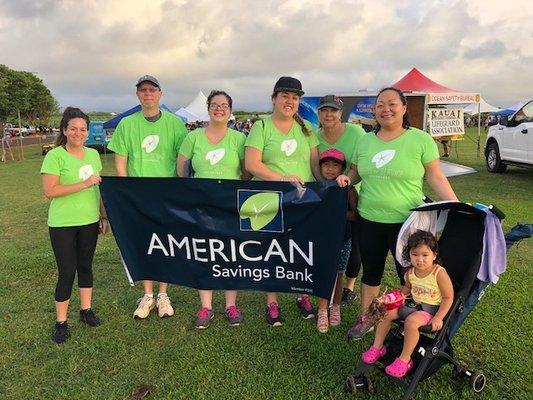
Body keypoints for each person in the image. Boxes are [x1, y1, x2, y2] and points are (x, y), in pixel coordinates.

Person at [336, 87, 458, 340]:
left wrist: (456, 204)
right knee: (371, 272)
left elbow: (435, 175)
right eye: (380, 105)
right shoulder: (365, 140)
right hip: (369, 218)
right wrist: (345, 179)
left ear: (404, 108)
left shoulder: (420, 140)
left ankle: (416, 317)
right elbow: (356, 171)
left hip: (408, 223)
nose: (386, 109)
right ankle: (368, 318)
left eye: (392, 104)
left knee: (413, 273)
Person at [107, 75, 188, 319]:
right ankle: (148, 294)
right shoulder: (127, 124)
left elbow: (182, 162)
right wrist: (126, 194)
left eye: (152, 89)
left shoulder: (175, 124)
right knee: (143, 243)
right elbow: (121, 163)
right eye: (143, 90)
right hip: (138, 195)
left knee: (165, 242)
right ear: (138, 95)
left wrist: (180, 191)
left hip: (166, 194)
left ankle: (163, 294)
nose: (148, 94)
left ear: (160, 94)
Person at [245, 76, 321, 326]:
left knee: (300, 249)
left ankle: (301, 294)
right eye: (285, 96)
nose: (290, 101)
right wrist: (281, 178)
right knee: (271, 251)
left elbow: (314, 166)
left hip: (301, 198)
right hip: (268, 198)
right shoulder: (261, 127)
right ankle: (272, 301)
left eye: (295, 97)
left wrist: (326, 188)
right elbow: (252, 164)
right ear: (274, 98)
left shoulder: (307, 127)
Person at [178, 90, 250, 328]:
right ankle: (206, 306)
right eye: (215, 104)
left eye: (224, 105)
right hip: (201, 206)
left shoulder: (239, 138)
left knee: (231, 253)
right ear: (208, 108)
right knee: (204, 253)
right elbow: (182, 171)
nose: (219, 108)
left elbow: (246, 172)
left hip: (230, 205)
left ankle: (231, 305)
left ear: (230, 110)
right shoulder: (194, 137)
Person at [41, 107, 108, 344]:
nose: (78, 133)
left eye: (82, 129)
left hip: (89, 221)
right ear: (64, 130)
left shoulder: (93, 154)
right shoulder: (55, 156)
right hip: (63, 224)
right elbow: (50, 191)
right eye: (73, 129)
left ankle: (86, 311)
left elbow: (97, 188)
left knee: (86, 267)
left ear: (87, 132)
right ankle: (61, 322)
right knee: (67, 271)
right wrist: (84, 183)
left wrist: (103, 216)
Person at [361, 230, 453, 378]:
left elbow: (448, 297)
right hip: (413, 305)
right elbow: (407, 290)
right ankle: (377, 347)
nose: (420, 259)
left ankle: (405, 359)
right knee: (385, 313)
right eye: (415, 254)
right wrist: (391, 298)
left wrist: (439, 317)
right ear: (409, 254)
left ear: (434, 255)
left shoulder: (439, 273)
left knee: (411, 322)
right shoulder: (410, 273)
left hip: (430, 310)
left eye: (425, 255)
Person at [316, 94, 366, 308]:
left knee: (355, 245)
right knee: (331, 245)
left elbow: (361, 162)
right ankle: (328, 285)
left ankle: (349, 288)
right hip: (327, 197)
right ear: (319, 113)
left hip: (353, 194)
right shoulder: (313, 136)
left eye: (334, 110)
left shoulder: (356, 132)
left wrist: (347, 182)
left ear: (340, 113)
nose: (329, 114)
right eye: (325, 110)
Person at [315, 148, 358, 333]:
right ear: (320, 167)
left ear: (342, 168)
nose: (330, 169)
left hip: (343, 238)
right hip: (321, 238)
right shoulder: (316, 187)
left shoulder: (348, 189)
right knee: (323, 273)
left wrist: (336, 214)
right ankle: (322, 310)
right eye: (326, 164)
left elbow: (355, 215)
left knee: (339, 273)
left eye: (335, 165)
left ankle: (336, 306)